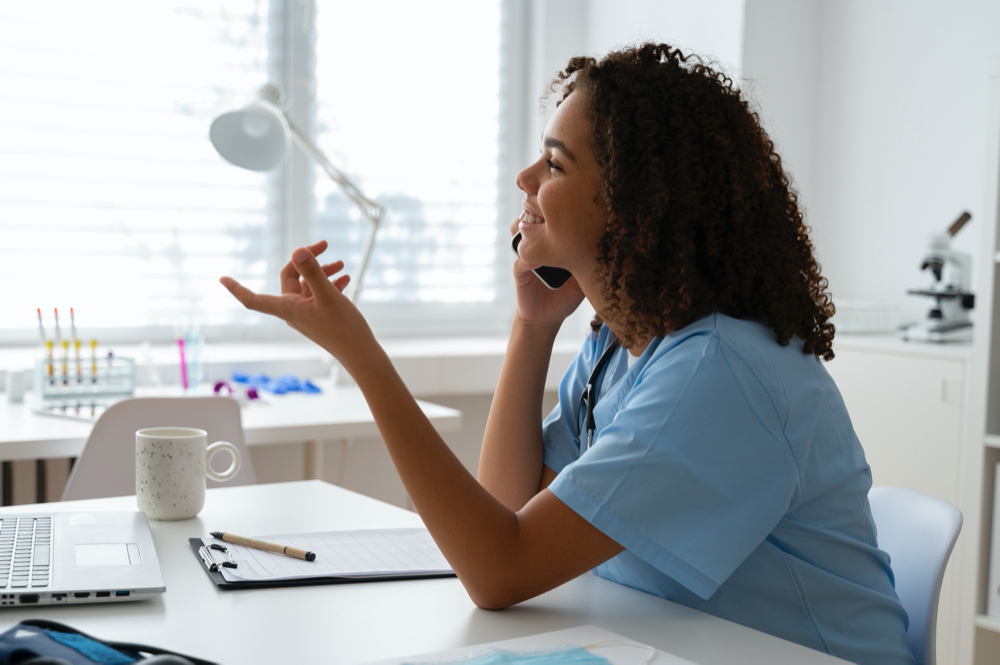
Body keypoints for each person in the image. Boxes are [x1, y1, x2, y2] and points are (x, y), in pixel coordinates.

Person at [220, 43, 915, 664]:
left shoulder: (719, 373)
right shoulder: (623, 343)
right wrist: (533, 327)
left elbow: (497, 569)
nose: (526, 178)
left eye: (553, 162)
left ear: (634, 202)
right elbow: (503, 509)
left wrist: (363, 357)